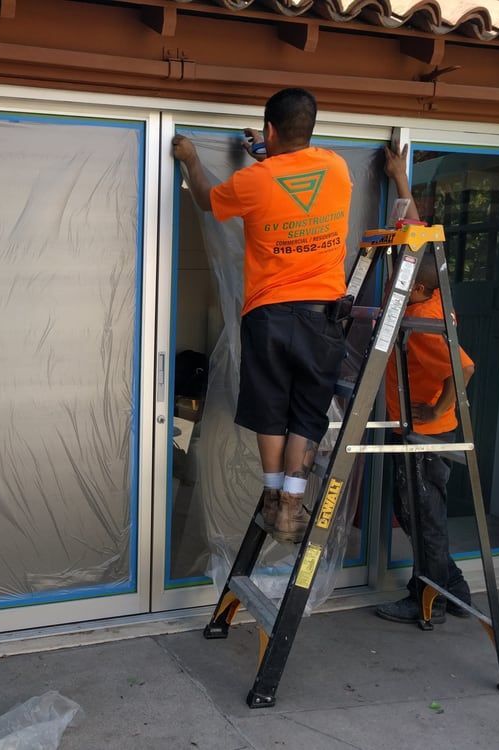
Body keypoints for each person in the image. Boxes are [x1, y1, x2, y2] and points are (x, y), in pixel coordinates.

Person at [171, 88, 351, 543]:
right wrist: (266, 152)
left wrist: (191, 158)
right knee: (307, 413)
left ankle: (271, 497)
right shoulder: (336, 167)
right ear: (309, 128)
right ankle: (291, 506)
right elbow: (293, 172)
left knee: (271, 411)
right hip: (321, 315)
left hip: (268, 315)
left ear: (269, 130)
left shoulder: (255, 181)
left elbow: (207, 200)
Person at [377, 145, 475, 624]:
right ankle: (453, 589)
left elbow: (467, 368)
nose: (396, 272)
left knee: (423, 516)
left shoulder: (423, 320)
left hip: (427, 435)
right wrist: (400, 180)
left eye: (402, 273)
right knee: (416, 511)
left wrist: (437, 410)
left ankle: (430, 596)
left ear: (417, 289)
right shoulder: (427, 295)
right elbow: (418, 238)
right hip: (415, 428)